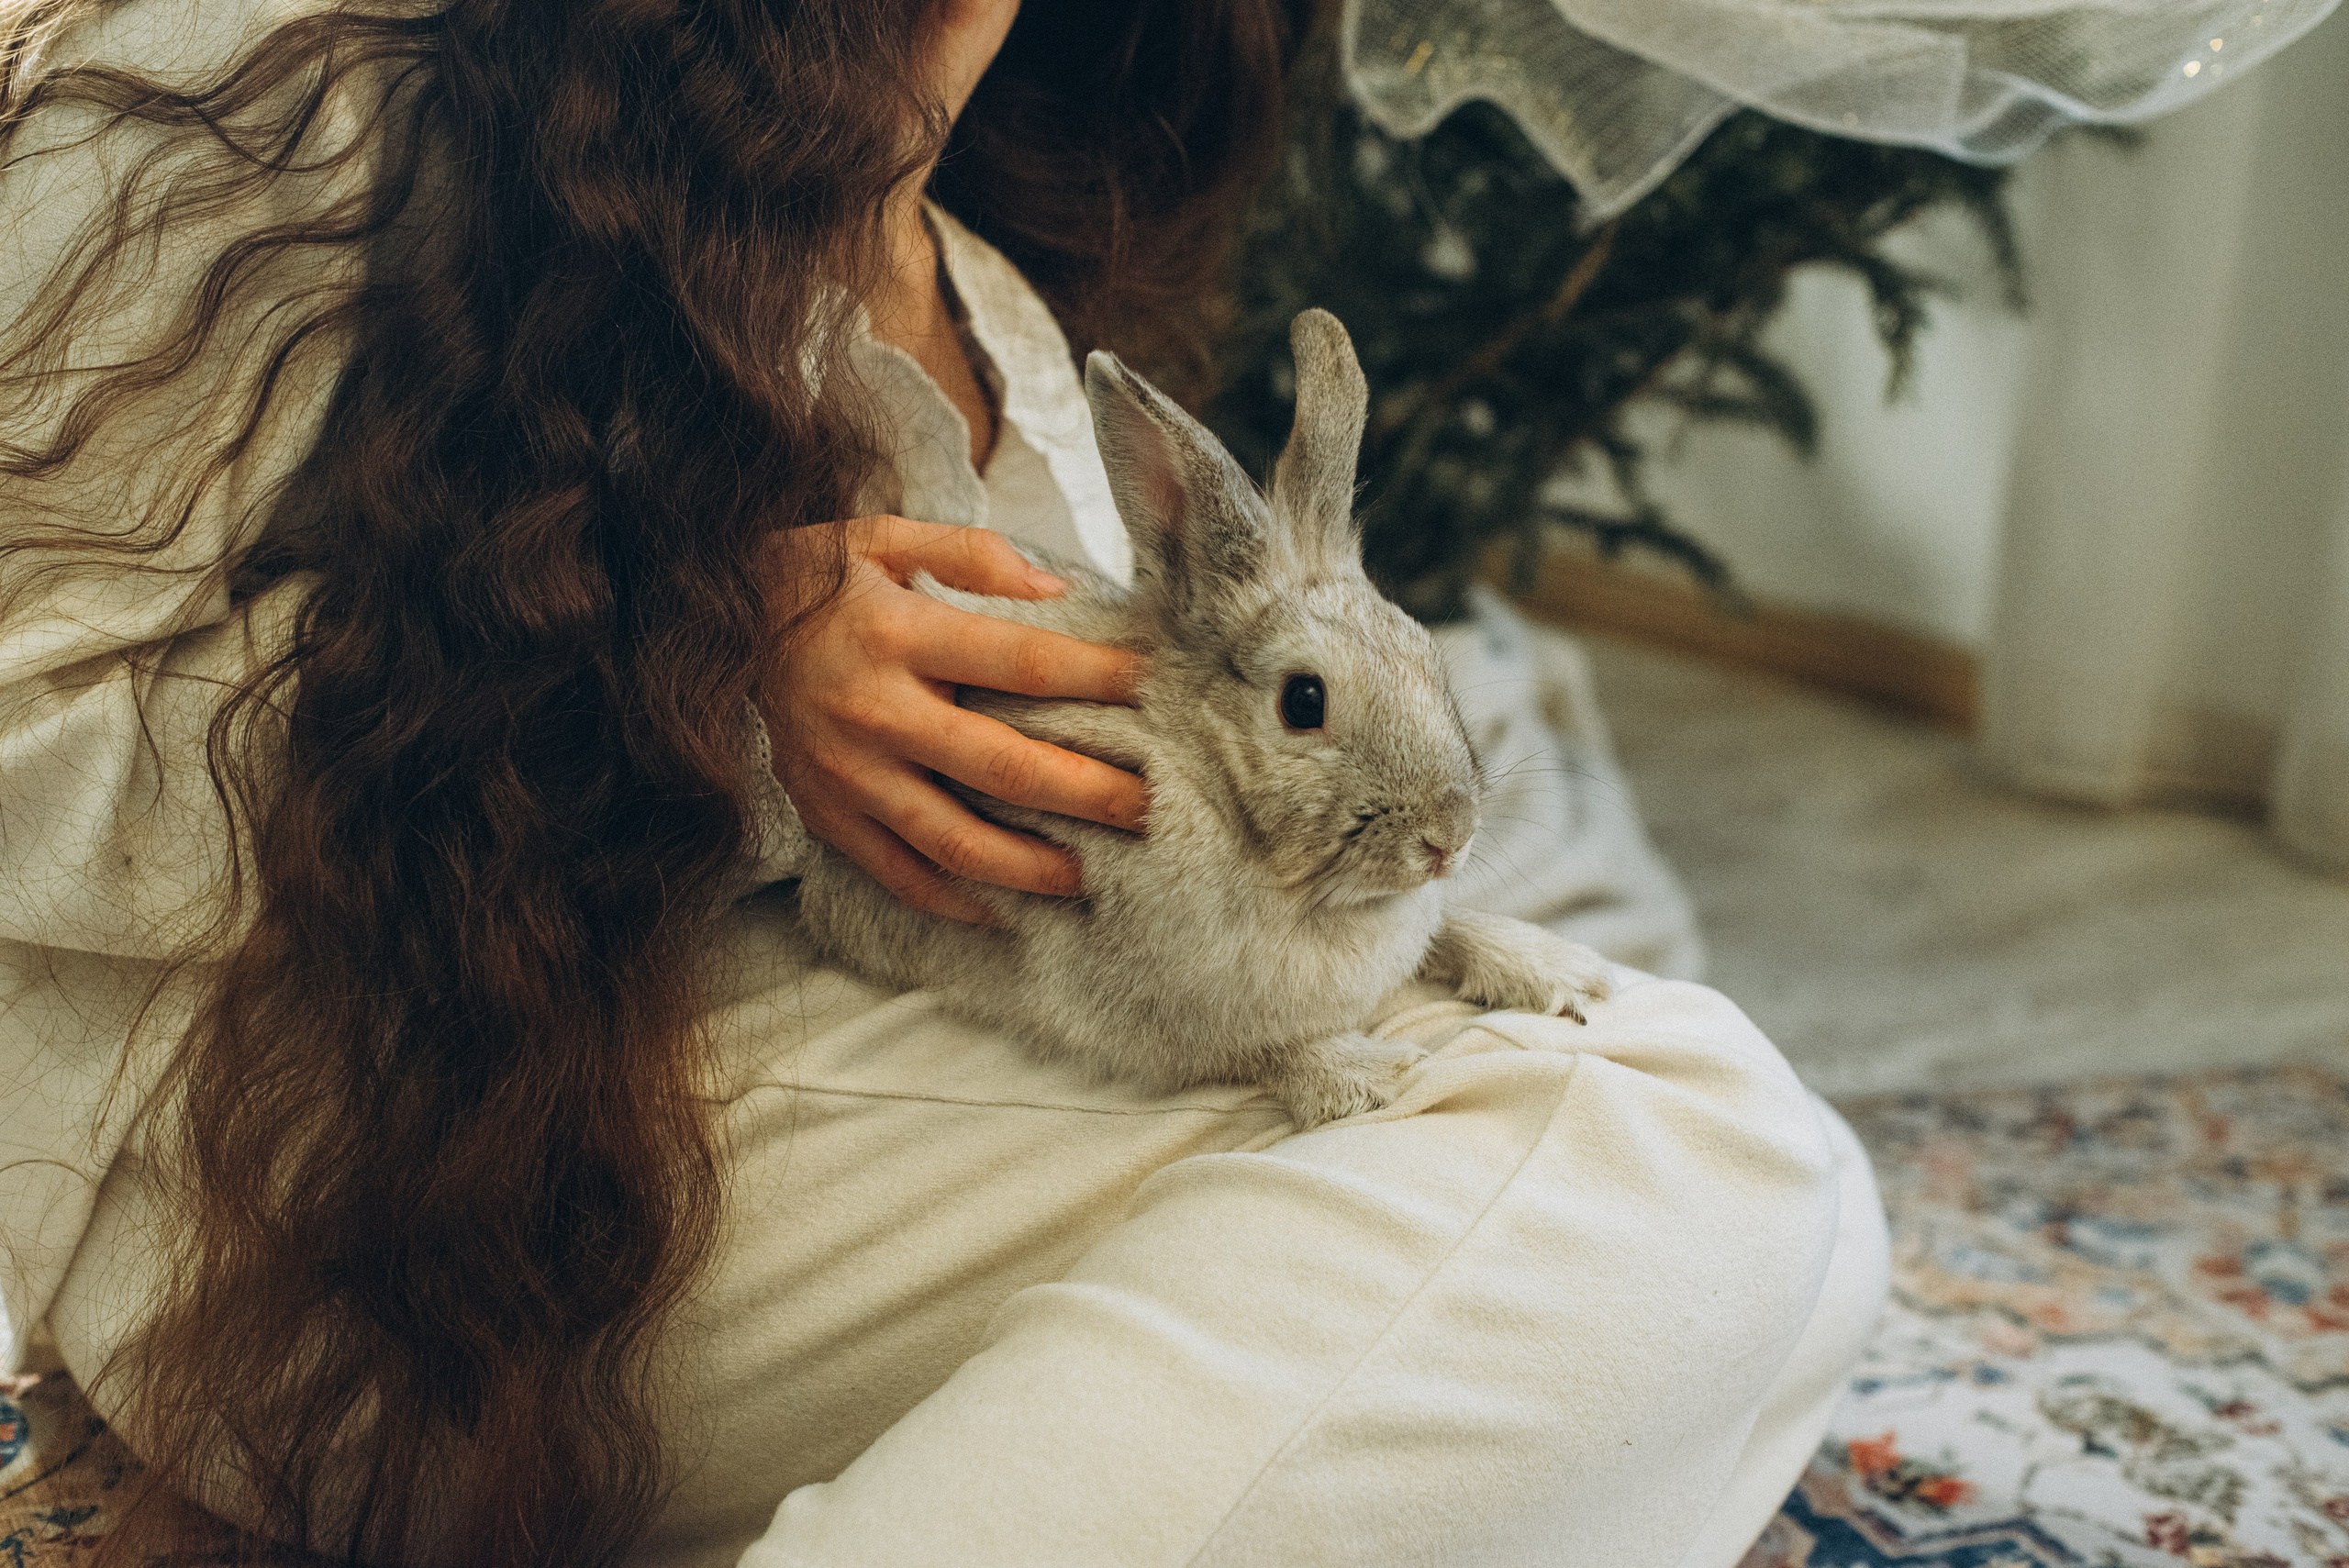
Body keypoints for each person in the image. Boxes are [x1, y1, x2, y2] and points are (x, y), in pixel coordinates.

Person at [0, 0, 1888, 1563]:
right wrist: (694, 672)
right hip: (385, 1152)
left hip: (809, 1071)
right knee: (1667, 1163)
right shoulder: (289, 92)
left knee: (1760, 1204)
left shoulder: (984, 269)